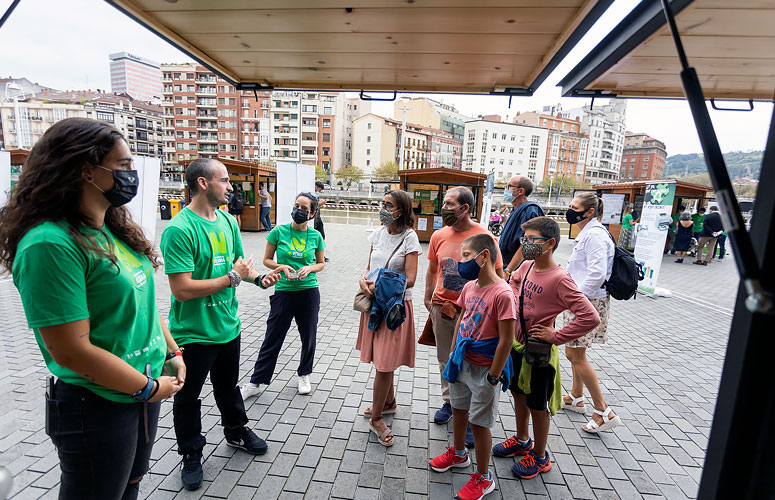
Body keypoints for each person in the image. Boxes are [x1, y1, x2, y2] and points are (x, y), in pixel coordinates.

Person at [0, 118, 185, 499]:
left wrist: (171, 351)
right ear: (86, 169)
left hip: (138, 393)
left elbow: (144, 303)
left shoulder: (112, 228)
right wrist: (149, 388)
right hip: (98, 405)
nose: (132, 174)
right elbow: (71, 350)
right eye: (123, 166)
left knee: (129, 488)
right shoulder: (49, 243)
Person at [160, 159, 280, 491]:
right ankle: (191, 452)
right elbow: (181, 290)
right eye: (225, 181)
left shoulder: (228, 221)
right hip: (193, 334)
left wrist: (260, 279)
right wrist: (232, 278)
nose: (231, 187)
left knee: (228, 387)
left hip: (229, 327)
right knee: (188, 398)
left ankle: (236, 431)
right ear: (202, 183)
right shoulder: (179, 230)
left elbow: (240, 268)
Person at [492, 217, 600, 479]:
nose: (526, 244)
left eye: (532, 240)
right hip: (517, 347)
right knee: (518, 393)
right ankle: (521, 439)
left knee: (537, 404)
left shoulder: (560, 279)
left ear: (550, 243)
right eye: (524, 239)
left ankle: (540, 456)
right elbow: (514, 281)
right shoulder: (527, 266)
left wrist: (557, 335)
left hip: (539, 353)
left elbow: (590, 317)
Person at [428, 234, 515, 500]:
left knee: (479, 423)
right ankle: (458, 454)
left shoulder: (502, 293)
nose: (461, 261)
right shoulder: (470, 287)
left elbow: (506, 339)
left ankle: (484, 477)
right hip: (462, 363)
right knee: (459, 410)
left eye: (467, 256)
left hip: (485, 368)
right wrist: (454, 353)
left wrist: (493, 376)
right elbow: (462, 319)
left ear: (484, 256)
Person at [424, 187, 504, 447]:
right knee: (446, 358)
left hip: (476, 310)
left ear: (465, 208)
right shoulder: (439, 235)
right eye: (444, 204)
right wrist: (428, 297)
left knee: (474, 362)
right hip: (444, 306)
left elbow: (498, 273)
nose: (444, 208)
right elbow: (433, 268)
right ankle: (450, 403)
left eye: (449, 204)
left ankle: (472, 418)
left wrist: (498, 308)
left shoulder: (484, 236)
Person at [242, 192, 326, 399]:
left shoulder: (315, 236)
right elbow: (267, 260)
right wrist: (282, 266)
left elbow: (321, 263)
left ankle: (304, 374)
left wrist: (310, 269)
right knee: (272, 337)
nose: (299, 210)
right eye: (297, 205)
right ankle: (256, 381)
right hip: (283, 292)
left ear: (312, 213)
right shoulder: (278, 232)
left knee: (309, 337)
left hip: (308, 292)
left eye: (304, 208)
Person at [356, 190, 421, 447]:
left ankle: (377, 417)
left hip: (394, 306)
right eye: (382, 203)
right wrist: (364, 280)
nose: (383, 208)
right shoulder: (378, 234)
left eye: (388, 205)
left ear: (401, 211)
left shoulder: (410, 237)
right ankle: (389, 402)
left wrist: (378, 285)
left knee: (384, 364)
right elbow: (369, 266)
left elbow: (411, 278)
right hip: (374, 304)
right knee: (385, 360)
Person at [561, 192, 622, 433]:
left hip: (585, 302)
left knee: (576, 355)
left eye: (574, 207)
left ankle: (604, 411)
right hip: (584, 300)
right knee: (574, 352)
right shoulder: (591, 232)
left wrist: (576, 299)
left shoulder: (595, 235)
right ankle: (576, 396)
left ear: (588, 212)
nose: (570, 210)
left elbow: (597, 274)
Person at [498, 176, 545, 274]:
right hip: (505, 265)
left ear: (520, 191)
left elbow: (527, 245)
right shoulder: (516, 210)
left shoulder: (531, 211)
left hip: (518, 271)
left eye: (508, 186)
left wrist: (508, 271)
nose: (505, 190)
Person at [311, 180, 329, 261]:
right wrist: (319, 203)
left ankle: (320, 255)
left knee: (322, 236)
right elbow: (310, 205)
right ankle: (312, 255)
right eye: (319, 189)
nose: (320, 191)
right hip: (313, 219)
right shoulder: (310, 194)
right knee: (313, 237)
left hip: (318, 218)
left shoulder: (315, 194)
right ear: (315, 187)